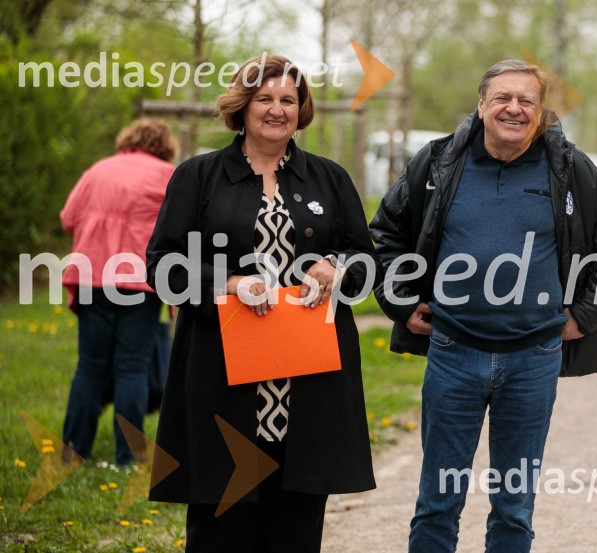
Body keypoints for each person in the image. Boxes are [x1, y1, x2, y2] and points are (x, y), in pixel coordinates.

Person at [369, 60, 597, 552]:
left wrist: (583, 316)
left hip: (533, 359)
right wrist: (400, 301)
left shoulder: (570, 169)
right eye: (502, 98)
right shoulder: (436, 163)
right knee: (438, 501)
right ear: (481, 106)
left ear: (540, 113)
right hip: (453, 352)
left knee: (514, 508)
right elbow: (385, 235)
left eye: (527, 100)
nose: (513, 108)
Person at [145, 55, 379, 553]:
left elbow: (367, 260)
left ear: (302, 109)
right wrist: (228, 284)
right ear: (242, 105)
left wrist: (337, 269)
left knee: (295, 528)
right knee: (221, 527)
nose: (277, 110)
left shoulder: (330, 179)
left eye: (288, 100)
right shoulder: (198, 176)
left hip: (308, 385)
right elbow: (162, 266)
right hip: (222, 378)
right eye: (265, 99)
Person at [60, 118, 178, 467]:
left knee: (90, 366)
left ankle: (72, 452)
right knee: (133, 367)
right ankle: (128, 457)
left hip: (92, 275)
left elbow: (68, 218)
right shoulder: (167, 175)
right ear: (165, 146)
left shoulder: (98, 170)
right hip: (141, 280)